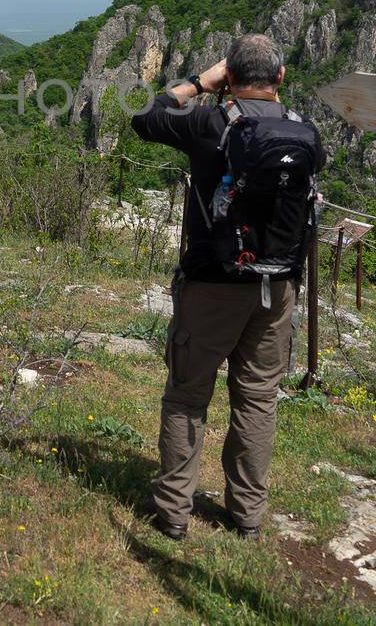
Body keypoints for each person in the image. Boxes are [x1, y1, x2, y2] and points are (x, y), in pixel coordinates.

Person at [129, 33, 325, 540]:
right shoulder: (306, 133)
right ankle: (247, 516)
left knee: (188, 395)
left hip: (213, 283)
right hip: (278, 287)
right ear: (281, 78)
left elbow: (146, 116)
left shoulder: (209, 122)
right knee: (258, 398)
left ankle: (173, 513)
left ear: (230, 78)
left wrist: (200, 82)